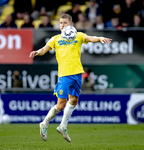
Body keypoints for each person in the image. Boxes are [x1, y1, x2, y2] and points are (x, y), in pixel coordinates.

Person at [29, 14, 112, 142]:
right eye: (61, 23)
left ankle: (63, 127)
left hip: (77, 73)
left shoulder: (78, 36)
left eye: (65, 23)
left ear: (71, 25)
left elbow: (90, 38)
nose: (62, 25)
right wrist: (38, 52)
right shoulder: (56, 39)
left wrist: (99, 38)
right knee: (61, 105)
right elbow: (45, 49)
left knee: (73, 101)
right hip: (64, 75)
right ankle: (44, 123)